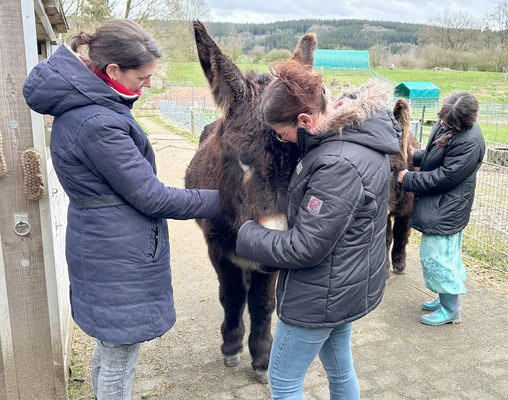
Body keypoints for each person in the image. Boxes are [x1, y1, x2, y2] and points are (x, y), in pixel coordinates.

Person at [23, 19, 222, 399]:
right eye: (143, 76)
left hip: (103, 241)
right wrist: (226, 200)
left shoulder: (89, 105)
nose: (148, 84)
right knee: (120, 357)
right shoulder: (98, 122)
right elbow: (153, 197)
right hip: (117, 252)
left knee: (110, 346)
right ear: (113, 70)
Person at [235, 60, 401, 399]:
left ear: (305, 120)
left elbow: (304, 247)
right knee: (340, 370)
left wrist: (247, 235)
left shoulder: (337, 163)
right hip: (344, 284)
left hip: (319, 295)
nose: (283, 141)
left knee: (283, 382)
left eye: (283, 134)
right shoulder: (357, 138)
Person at [397, 91, 485, 326]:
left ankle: (450, 310)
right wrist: (414, 156)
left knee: (437, 258)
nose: (443, 122)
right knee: (445, 256)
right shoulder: (449, 126)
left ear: (462, 122)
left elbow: (444, 176)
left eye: (448, 121)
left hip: (448, 208)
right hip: (442, 205)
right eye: (443, 117)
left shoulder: (469, 142)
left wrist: (407, 178)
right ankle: (446, 299)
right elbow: (437, 156)